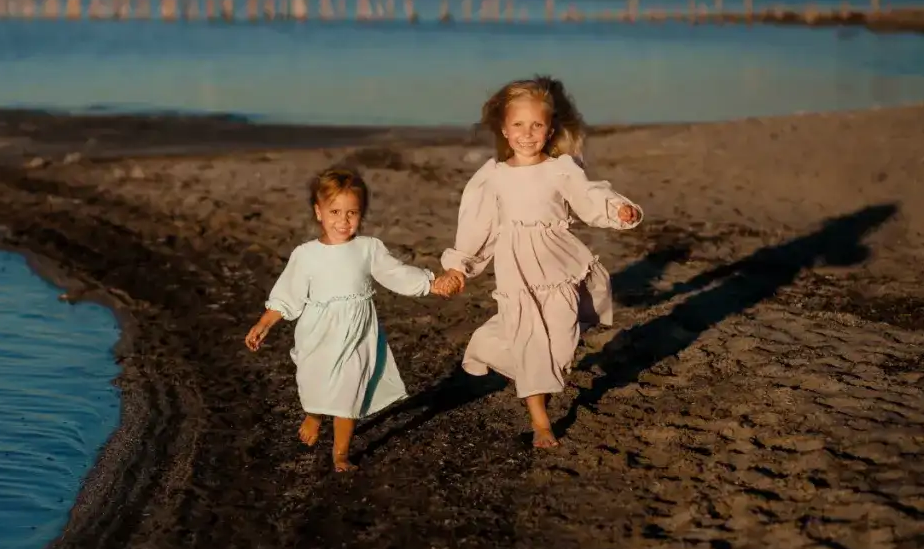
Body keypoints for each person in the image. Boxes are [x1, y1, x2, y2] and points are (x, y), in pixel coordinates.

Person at [435, 77, 643, 448]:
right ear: (504, 128)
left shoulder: (560, 168)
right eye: (518, 125)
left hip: (558, 265)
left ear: (549, 130)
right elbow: (477, 224)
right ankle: (540, 423)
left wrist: (616, 209)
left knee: (561, 343)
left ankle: (539, 378)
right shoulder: (493, 176)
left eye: (536, 125)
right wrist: (459, 265)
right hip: (516, 269)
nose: (527, 134)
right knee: (530, 338)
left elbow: (587, 197)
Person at [245, 168, 456, 471]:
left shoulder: (369, 248)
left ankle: (340, 453)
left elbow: (395, 273)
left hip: (357, 331)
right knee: (315, 380)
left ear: (361, 215)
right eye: (334, 212)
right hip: (317, 332)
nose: (343, 221)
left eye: (351, 213)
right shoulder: (305, 254)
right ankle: (314, 415)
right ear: (318, 212)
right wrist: (264, 323)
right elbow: (287, 294)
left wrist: (431, 283)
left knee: (349, 389)